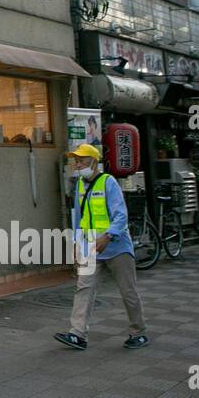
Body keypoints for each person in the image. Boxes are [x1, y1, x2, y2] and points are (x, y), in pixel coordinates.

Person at [54, 144, 148, 352]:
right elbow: (78, 217)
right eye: (76, 161)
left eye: (82, 160)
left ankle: (138, 332)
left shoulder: (108, 182)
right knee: (84, 287)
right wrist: (77, 243)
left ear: (94, 162)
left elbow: (121, 215)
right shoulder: (79, 185)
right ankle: (77, 334)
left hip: (117, 246)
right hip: (91, 246)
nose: (77, 164)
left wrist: (108, 235)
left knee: (128, 291)